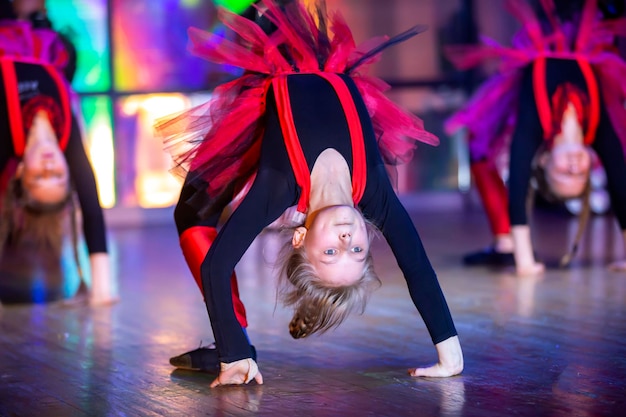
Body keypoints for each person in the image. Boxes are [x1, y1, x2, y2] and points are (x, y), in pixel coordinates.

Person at [157, 0, 463, 387]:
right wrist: (449, 350)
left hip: (263, 60)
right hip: (317, 50)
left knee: (189, 216)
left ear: (300, 237)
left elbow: (216, 265)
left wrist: (233, 354)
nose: (347, 239)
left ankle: (233, 341)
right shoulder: (375, 195)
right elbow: (416, 266)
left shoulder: (278, 187)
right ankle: (232, 338)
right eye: (357, 251)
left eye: (331, 252)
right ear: (369, 237)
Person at [444, 0, 626, 275]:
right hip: (585, 24)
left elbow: (518, 185)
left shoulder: (536, 126)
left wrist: (525, 260)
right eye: (580, 176)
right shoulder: (596, 129)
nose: (575, 168)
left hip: (543, 22)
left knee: (477, 144)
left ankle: (504, 243)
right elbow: (621, 184)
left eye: (566, 174)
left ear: (542, 162)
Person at [0, 11, 116, 305]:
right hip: (43, 42)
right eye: (58, 176)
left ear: (21, 170)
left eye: (40, 176)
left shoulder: (7, 135)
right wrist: (102, 288)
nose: (50, 166)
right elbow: (91, 206)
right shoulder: (66, 137)